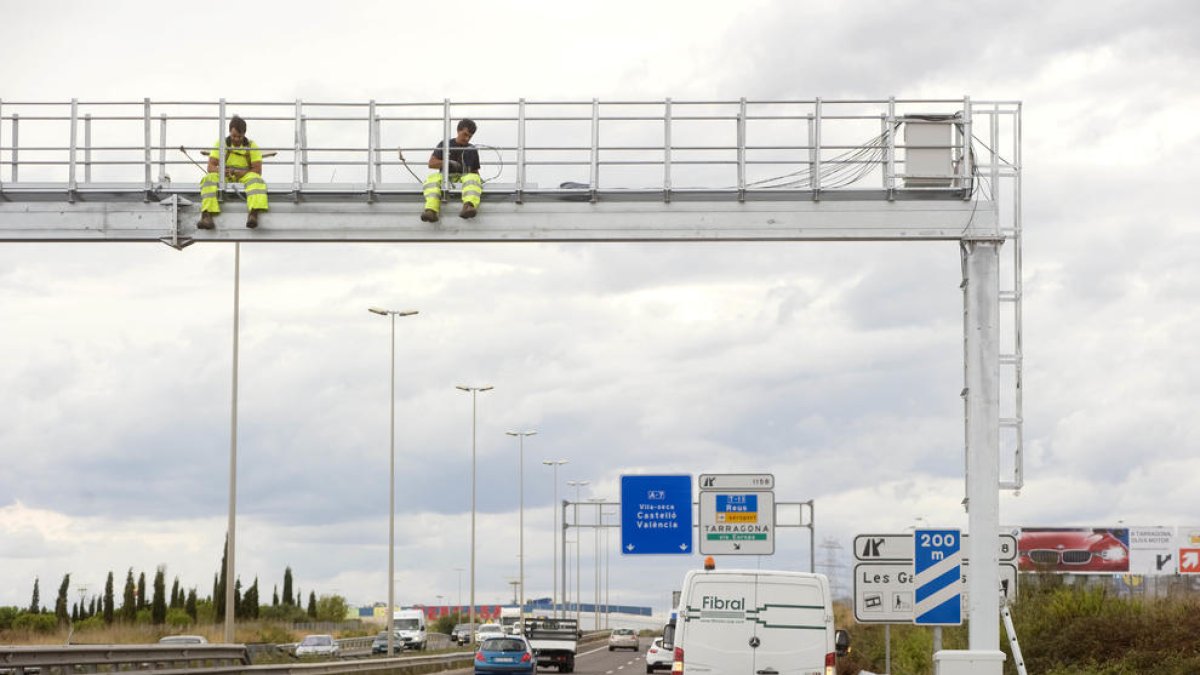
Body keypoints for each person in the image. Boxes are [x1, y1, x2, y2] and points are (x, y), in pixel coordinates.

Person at [197, 115, 268, 230]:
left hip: (244, 174)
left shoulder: (251, 146)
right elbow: (210, 166)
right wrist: (222, 171)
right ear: (230, 132)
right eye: (234, 136)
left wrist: (241, 173)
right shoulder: (221, 143)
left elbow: (257, 170)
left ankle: (253, 213)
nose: (236, 139)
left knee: (256, 180)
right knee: (209, 179)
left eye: (239, 137)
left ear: (244, 134)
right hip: (225, 174)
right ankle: (206, 216)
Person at [421, 119, 481, 222]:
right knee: (432, 179)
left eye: (470, 136)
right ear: (458, 130)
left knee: (473, 178)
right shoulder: (445, 144)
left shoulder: (472, 150)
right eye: (465, 134)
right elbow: (432, 163)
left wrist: (478, 182)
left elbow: (475, 172)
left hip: (464, 178)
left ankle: (468, 206)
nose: (467, 138)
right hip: (446, 177)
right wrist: (448, 162)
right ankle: (431, 210)